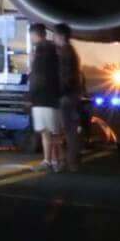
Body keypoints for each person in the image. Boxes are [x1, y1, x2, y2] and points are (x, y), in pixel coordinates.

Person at [28, 22, 71, 172]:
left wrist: (30, 96)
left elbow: (37, 76)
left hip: (43, 98)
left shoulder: (41, 51)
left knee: (46, 132)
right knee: (55, 132)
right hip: (54, 98)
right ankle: (57, 161)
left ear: (34, 35)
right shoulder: (56, 51)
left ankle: (48, 161)